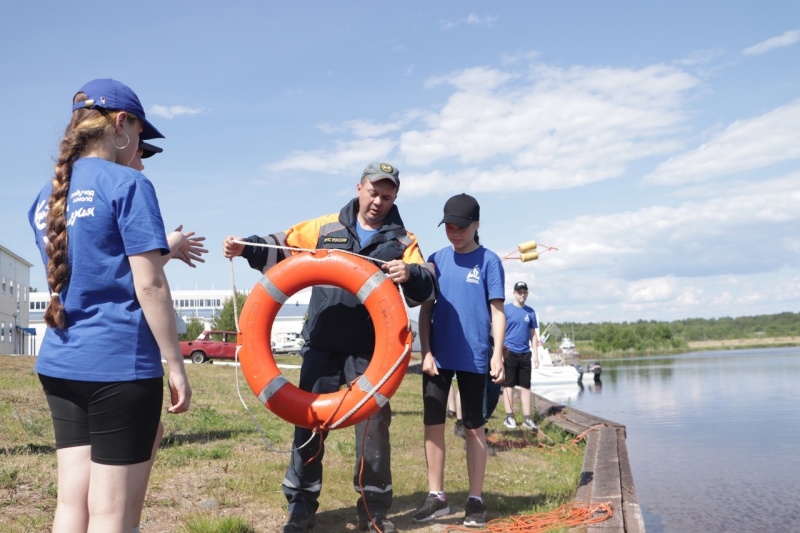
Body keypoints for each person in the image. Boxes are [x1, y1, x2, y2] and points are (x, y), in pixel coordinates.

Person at [223, 162, 437, 533]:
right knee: (307, 423)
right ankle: (301, 507)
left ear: (395, 198)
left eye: (387, 196)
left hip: (372, 353)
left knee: (373, 430)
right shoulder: (325, 228)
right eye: (373, 192)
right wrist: (245, 247)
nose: (378, 202)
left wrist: (410, 274)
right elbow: (279, 247)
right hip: (322, 344)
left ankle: (374, 511)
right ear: (359, 187)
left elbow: (425, 287)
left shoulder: (404, 241)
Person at [28, 78, 192, 533]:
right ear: (122, 124)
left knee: (71, 508)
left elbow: (87, 272)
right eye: (141, 134)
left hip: (61, 362)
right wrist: (175, 364)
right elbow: (150, 285)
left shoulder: (46, 197)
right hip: (120, 366)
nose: (139, 145)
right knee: (111, 517)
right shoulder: (128, 185)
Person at [129, 140, 207, 533]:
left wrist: (167, 252)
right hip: (123, 357)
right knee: (115, 506)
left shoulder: (58, 193)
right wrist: (170, 247)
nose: (142, 164)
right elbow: (142, 282)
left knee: (75, 499)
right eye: (141, 153)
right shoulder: (130, 188)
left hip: (68, 359)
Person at [414, 193, 505, 528]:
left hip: (476, 356)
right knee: (433, 425)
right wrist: (425, 352)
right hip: (438, 357)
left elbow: (497, 311)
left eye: (461, 227)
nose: (454, 232)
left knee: (473, 428)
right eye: (449, 226)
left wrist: (497, 354)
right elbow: (426, 312)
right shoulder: (436, 260)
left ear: (476, 225)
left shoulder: (490, 261)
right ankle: (436, 496)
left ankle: (475, 500)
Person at [501, 281, 539, 432]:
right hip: (509, 352)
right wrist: (500, 352)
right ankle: (509, 416)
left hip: (525, 353)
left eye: (525, 292)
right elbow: (499, 331)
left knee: (525, 386)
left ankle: (527, 418)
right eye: (519, 292)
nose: (522, 295)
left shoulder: (530, 312)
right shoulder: (506, 310)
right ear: (514, 293)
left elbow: (533, 334)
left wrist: (536, 354)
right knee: (508, 385)